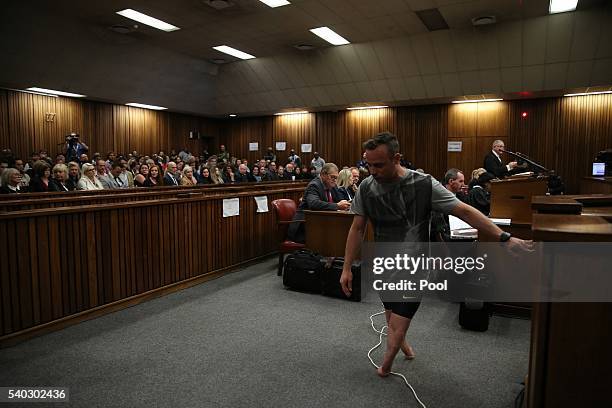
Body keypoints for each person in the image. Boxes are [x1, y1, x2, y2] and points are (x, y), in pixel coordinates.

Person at [340, 132, 532, 377]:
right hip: (385, 263)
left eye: (378, 165)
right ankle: (405, 348)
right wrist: (346, 268)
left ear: (397, 158)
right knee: (391, 315)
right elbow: (357, 228)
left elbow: (464, 210)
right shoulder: (367, 186)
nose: (372, 170)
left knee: (398, 322)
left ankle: (386, 365)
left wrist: (504, 237)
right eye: (368, 164)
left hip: (414, 266)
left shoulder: (423, 184)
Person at [287, 163, 351, 244]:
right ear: (323, 174)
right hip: (305, 226)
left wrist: (347, 204)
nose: (334, 180)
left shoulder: (332, 186)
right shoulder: (314, 185)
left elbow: (340, 200)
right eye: (332, 177)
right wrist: (337, 206)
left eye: (336, 178)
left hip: (320, 224)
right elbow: (313, 203)